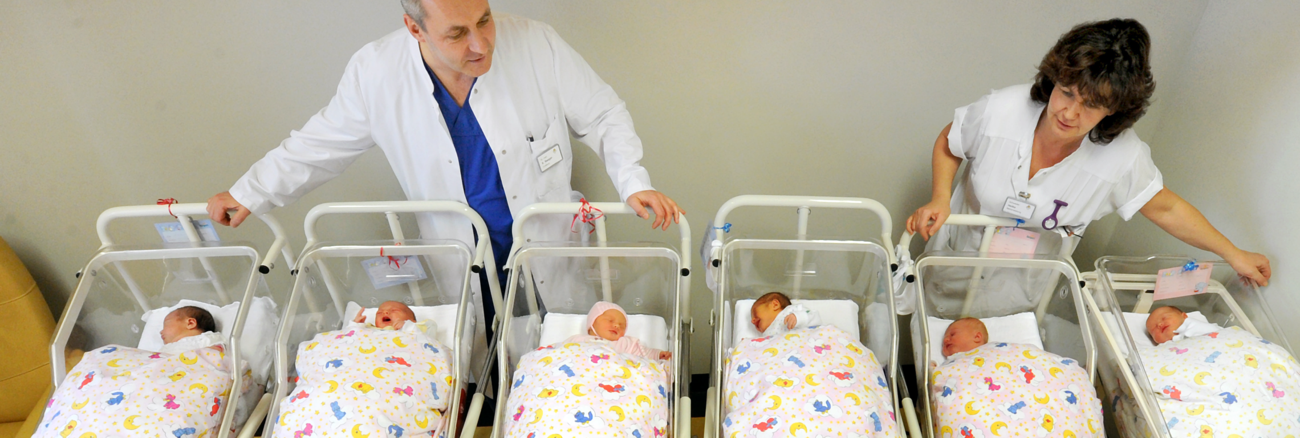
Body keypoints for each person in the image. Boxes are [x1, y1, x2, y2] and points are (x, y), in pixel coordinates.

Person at [206, 0, 682, 347]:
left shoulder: (537, 44)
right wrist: (251, 190)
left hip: (546, 237)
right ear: (415, 28)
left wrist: (633, 179)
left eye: (484, 20)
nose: (481, 44)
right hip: (460, 247)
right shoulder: (377, 72)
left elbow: (602, 114)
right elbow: (319, 144)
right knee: (482, 346)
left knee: (561, 337)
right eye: (457, 34)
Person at [905, 18, 1270, 287]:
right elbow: (948, 141)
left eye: (1092, 104)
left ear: (1114, 109)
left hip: (1025, 288)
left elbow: (1166, 207)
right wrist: (940, 198)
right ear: (1054, 79)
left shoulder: (1121, 156)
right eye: (1067, 92)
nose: (1070, 113)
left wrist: (1233, 254)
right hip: (952, 263)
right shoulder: (1002, 109)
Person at [564, 301, 670, 360]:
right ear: (593, 322)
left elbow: (645, 353)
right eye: (609, 320)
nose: (616, 325)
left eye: (622, 325)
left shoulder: (625, 343)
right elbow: (557, 353)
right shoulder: (577, 339)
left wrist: (659, 354)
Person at [749, 291, 821, 336]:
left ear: (775, 305)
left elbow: (814, 316)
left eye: (755, 313)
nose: (752, 321)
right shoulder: (766, 335)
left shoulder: (790, 311)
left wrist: (798, 317)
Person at [351, 300, 419, 330]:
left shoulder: (416, 327)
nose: (385, 312)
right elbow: (352, 337)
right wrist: (356, 325)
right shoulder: (370, 329)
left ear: (412, 321)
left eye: (394, 310)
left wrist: (409, 326)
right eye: (379, 313)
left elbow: (424, 336)